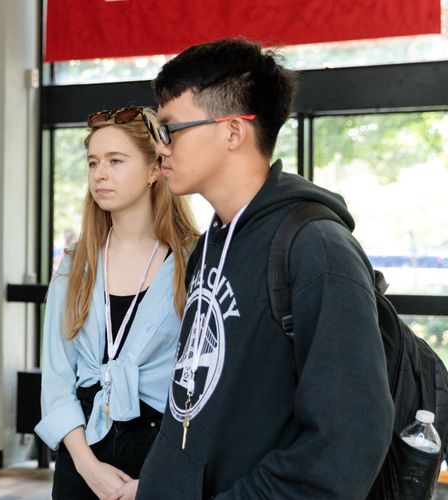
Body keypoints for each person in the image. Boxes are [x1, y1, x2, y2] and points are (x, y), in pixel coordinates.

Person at [135, 39, 393, 499]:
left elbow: (345, 444)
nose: (160, 147)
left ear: (233, 131)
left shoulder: (317, 248)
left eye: (171, 129)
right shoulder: (210, 244)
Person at [35, 107, 198, 500]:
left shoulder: (192, 260)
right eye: (93, 162)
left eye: (115, 161)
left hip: (162, 450)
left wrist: (161, 477)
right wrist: (87, 468)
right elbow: (57, 379)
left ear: (154, 169)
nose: (100, 174)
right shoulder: (76, 264)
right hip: (81, 451)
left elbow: (206, 385)